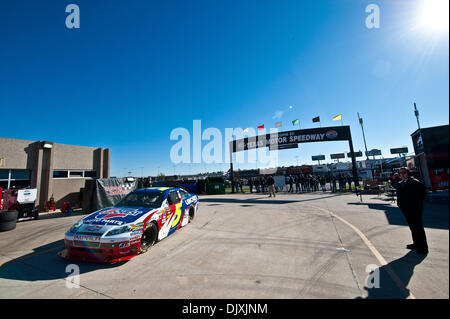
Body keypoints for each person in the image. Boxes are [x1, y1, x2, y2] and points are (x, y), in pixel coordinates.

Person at [396, 167, 428, 255]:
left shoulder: (415, 182)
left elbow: (423, 195)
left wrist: (415, 204)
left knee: (418, 228)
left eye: (404, 172)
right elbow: (399, 195)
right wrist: (400, 204)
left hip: (415, 209)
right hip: (406, 209)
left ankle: (423, 248)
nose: (402, 175)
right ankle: (416, 243)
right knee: (412, 227)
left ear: (408, 173)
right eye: (400, 173)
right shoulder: (400, 183)